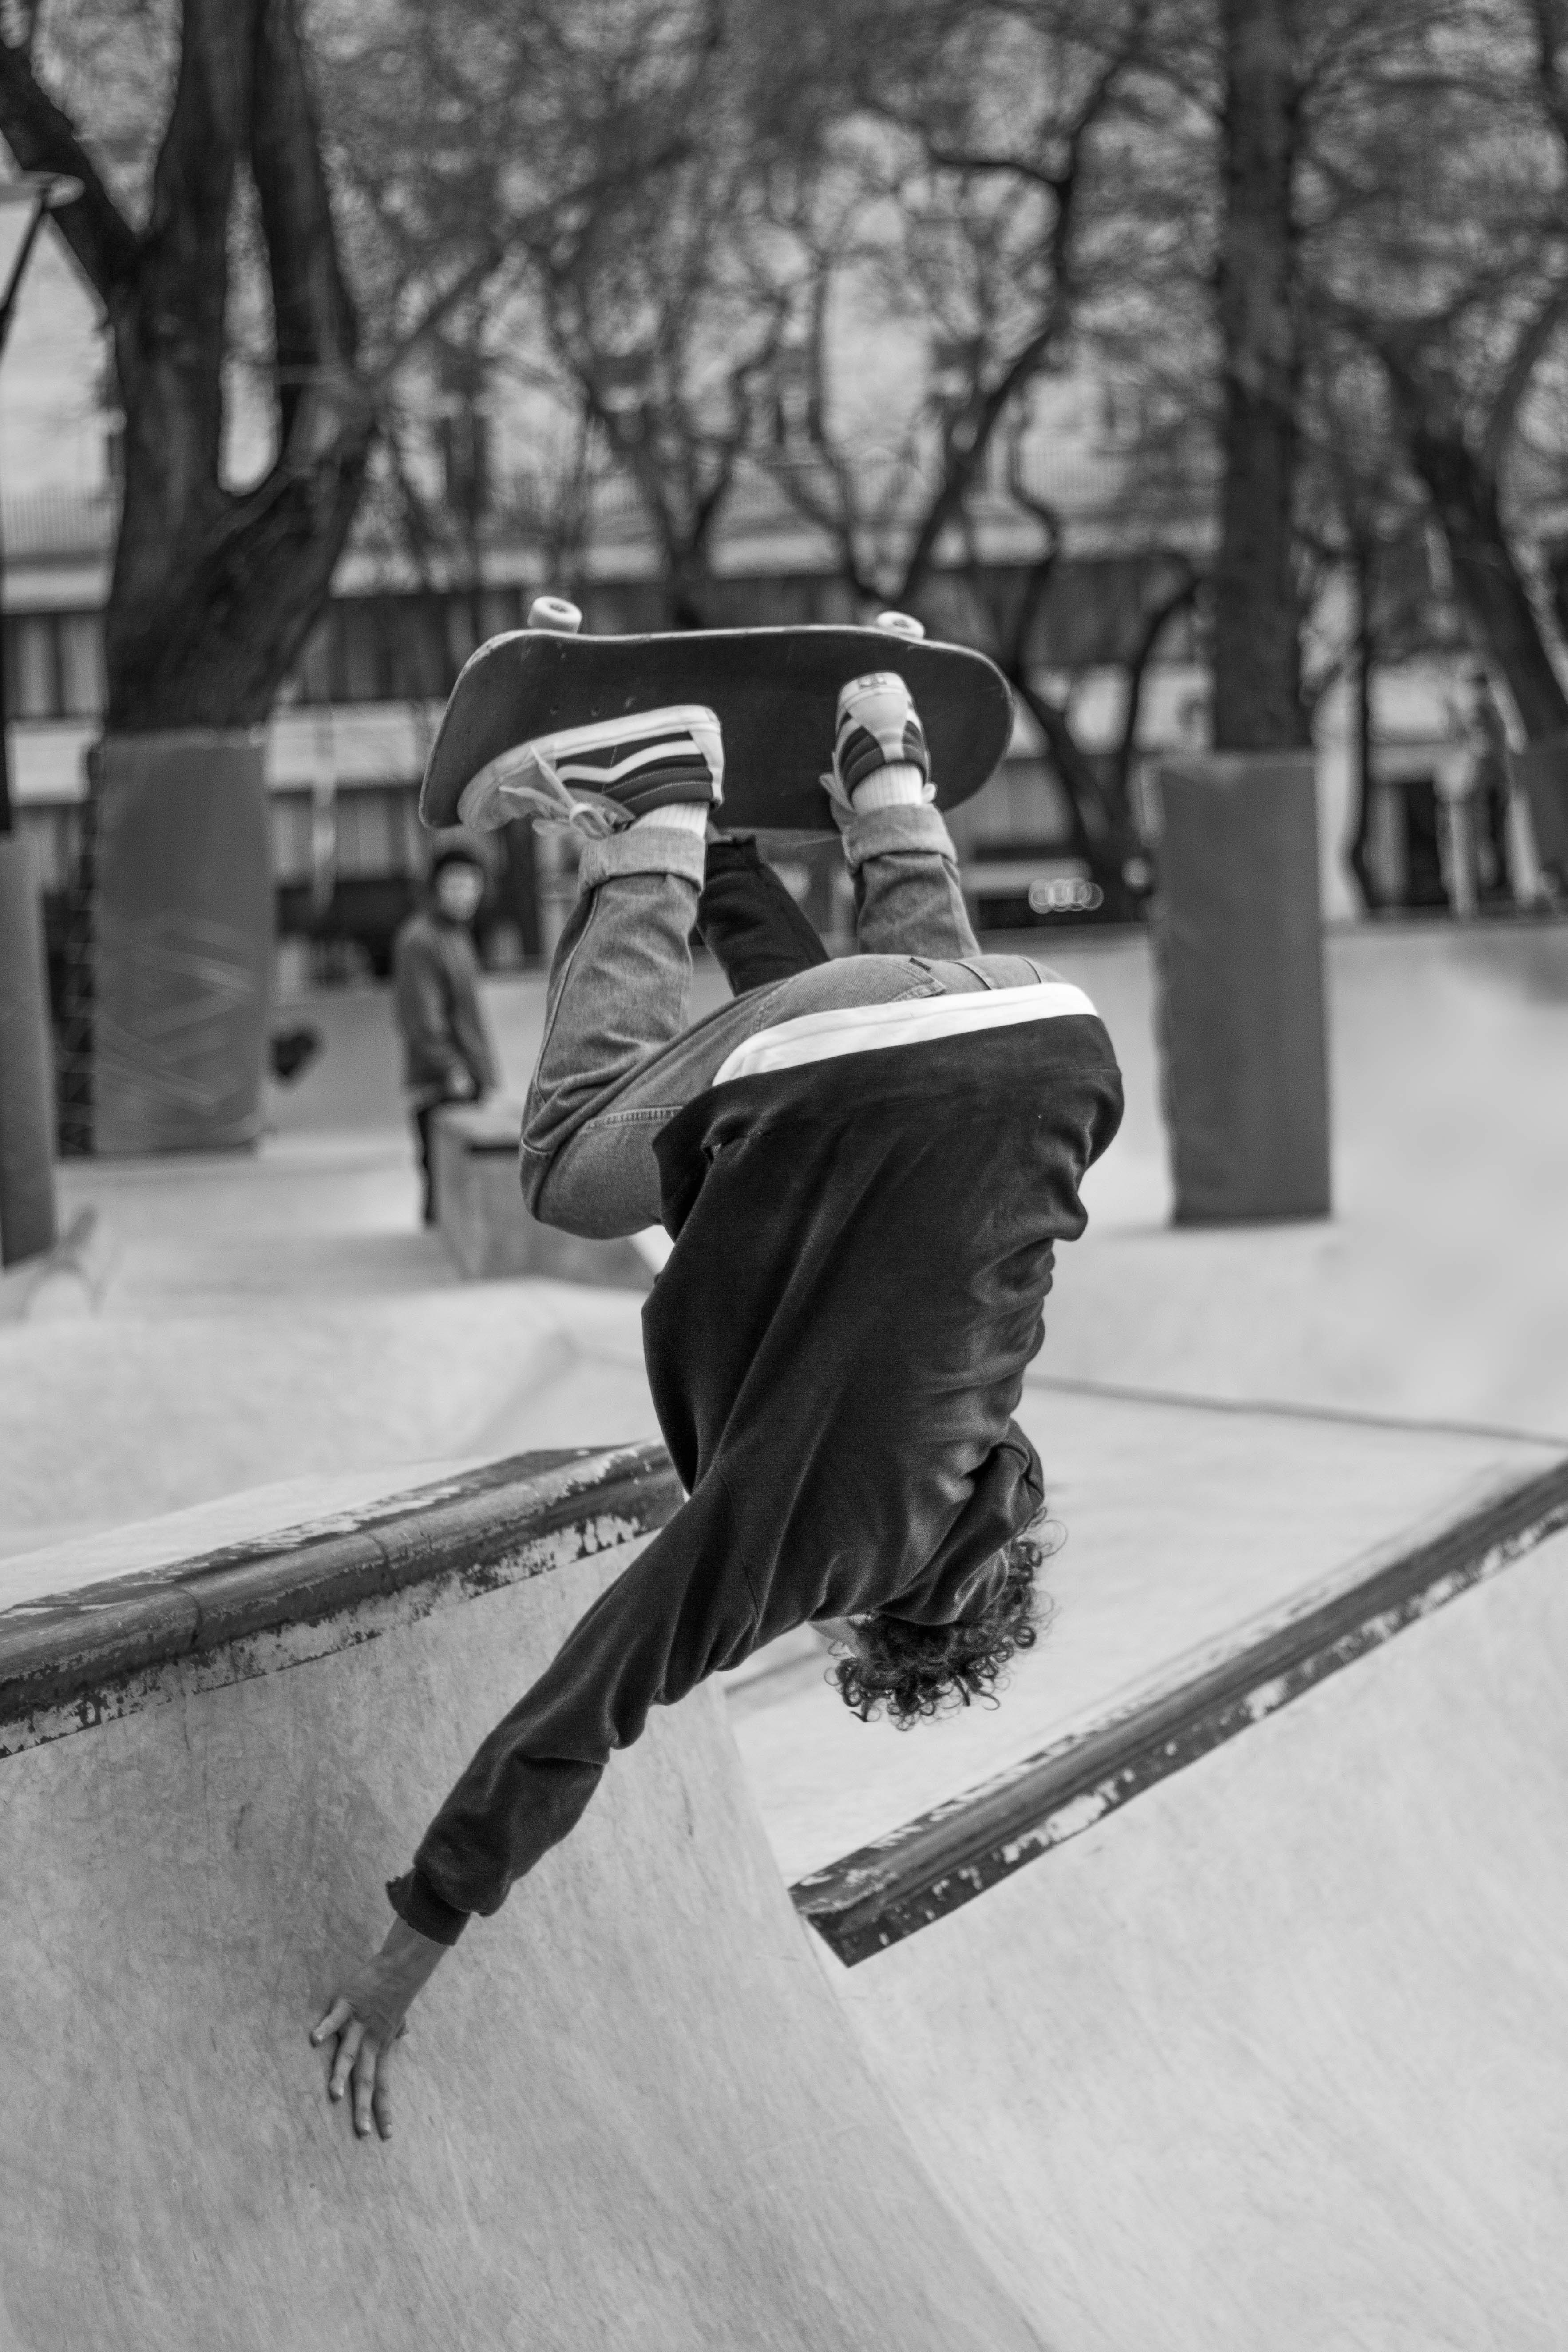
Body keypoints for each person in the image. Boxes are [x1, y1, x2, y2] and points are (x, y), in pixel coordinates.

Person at [313, 669, 1124, 2138]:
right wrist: (406, 1953)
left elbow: (860, 1038)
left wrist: (746, 878)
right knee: (569, 1164)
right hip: (871, 1067)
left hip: (1040, 1039)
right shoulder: (811, 1548)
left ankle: (883, 769)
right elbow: (575, 1715)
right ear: (869, 1623)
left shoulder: (980, 1400)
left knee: (915, 1051)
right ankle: (651, 813)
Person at [391, 844, 500, 1225]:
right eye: (454, 886)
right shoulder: (421, 940)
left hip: (466, 1076)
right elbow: (421, 1018)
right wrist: (452, 1070)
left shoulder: (457, 936)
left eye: (471, 885)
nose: (464, 895)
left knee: (460, 1193)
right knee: (443, 1192)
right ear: (435, 888)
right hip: (443, 1083)